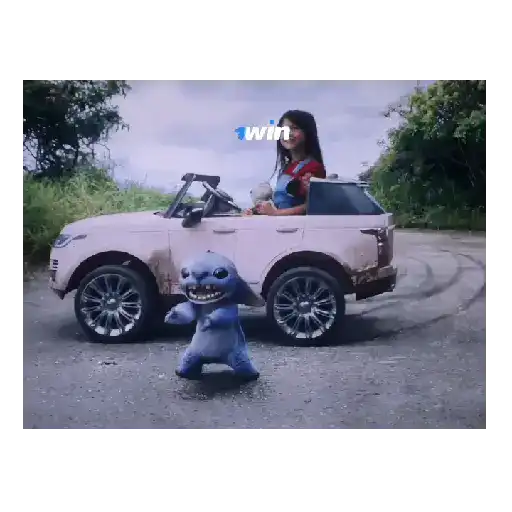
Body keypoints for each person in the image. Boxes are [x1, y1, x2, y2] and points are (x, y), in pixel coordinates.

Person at [245, 110, 326, 216]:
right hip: (283, 223)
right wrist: (258, 210)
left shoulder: (313, 167)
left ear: (307, 133)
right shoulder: (287, 167)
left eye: (294, 128)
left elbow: (312, 205)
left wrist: (276, 213)